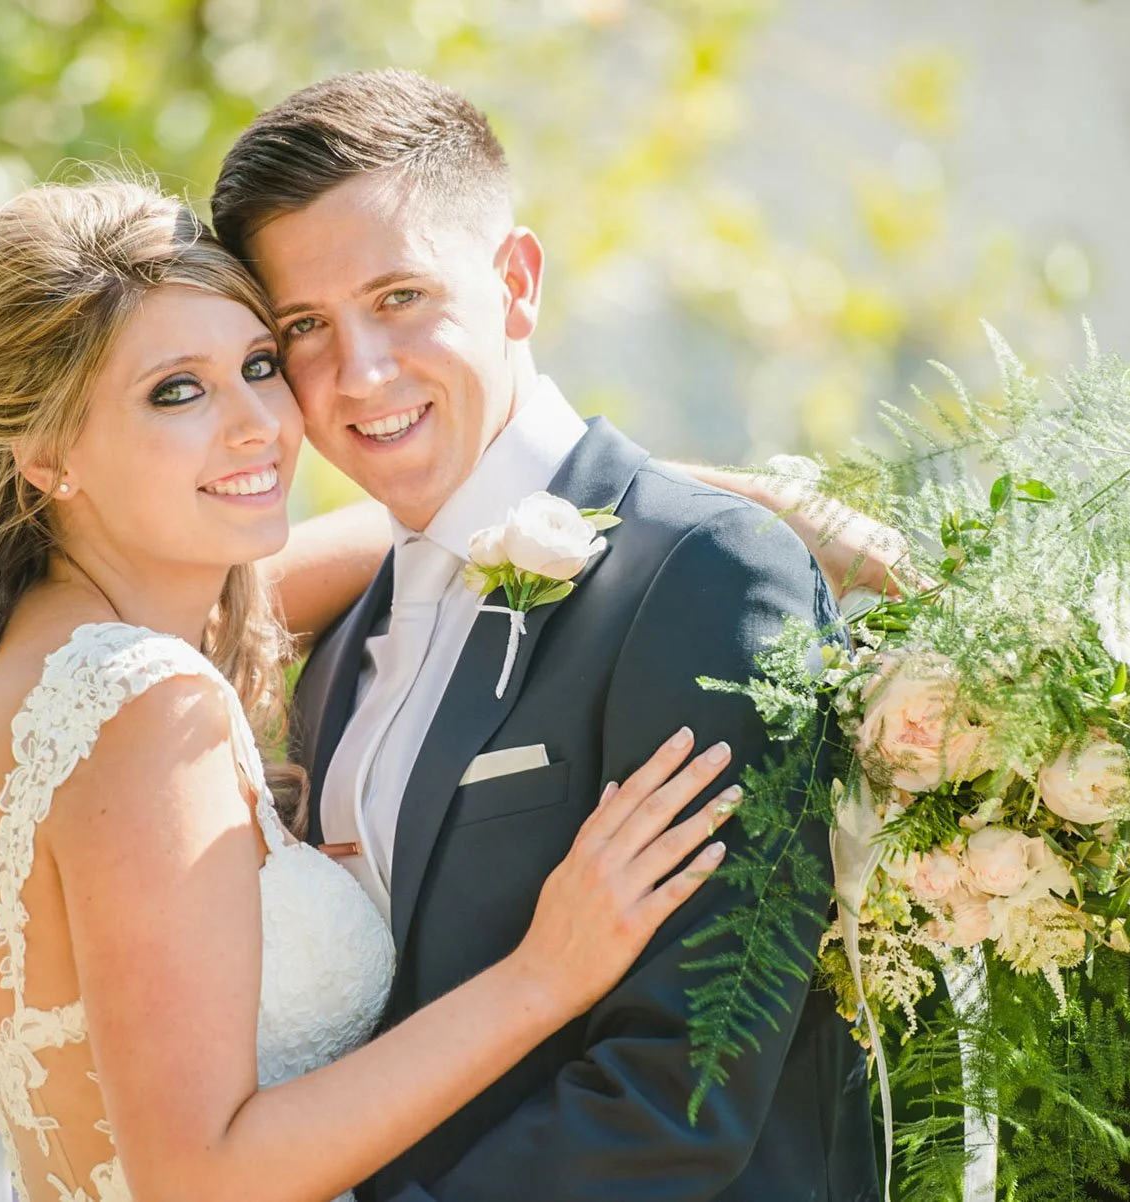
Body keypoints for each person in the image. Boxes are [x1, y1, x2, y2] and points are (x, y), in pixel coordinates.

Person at [0, 179, 743, 1202]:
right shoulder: (141, 701)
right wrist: (541, 978)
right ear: (46, 452)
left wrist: (718, 499)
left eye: (261, 364)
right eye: (176, 391)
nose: (257, 424)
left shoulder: (47, 647)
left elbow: (437, 525)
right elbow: (201, 1174)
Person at [209, 69, 881, 1201]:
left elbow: (685, 1086)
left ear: (516, 283)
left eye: (401, 297)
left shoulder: (706, 573)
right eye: (305, 326)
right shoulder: (331, 657)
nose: (359, 372)